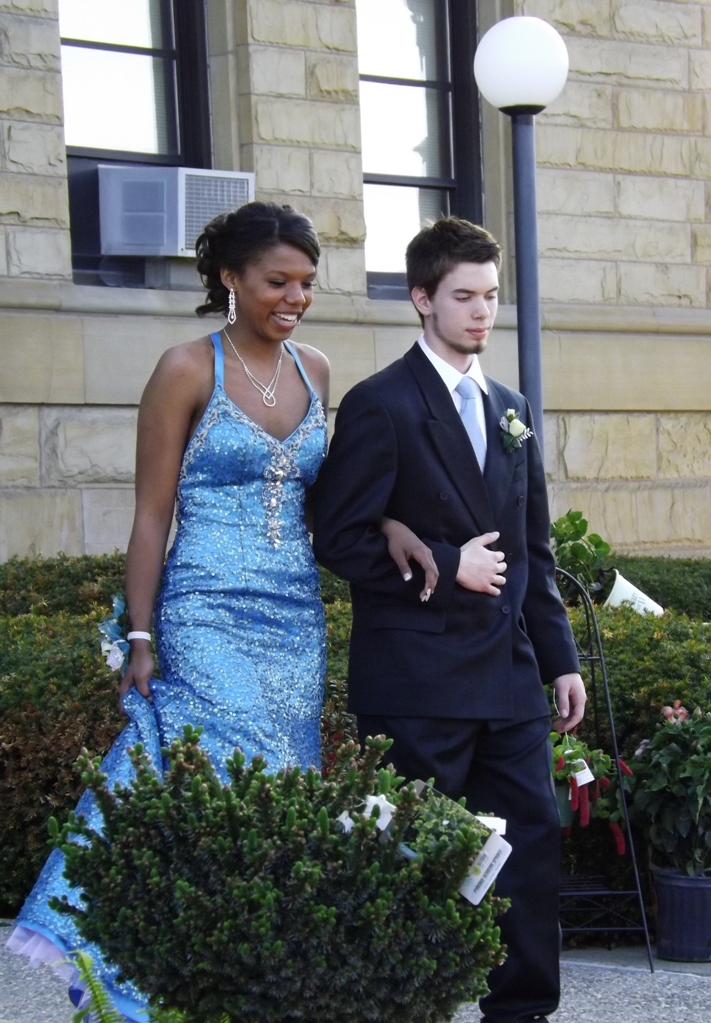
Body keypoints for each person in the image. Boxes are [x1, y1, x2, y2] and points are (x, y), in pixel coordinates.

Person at [7, 201, 432, 1021]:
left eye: (306, 282)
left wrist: (388, 524)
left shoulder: (317, 369)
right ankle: (142, 978)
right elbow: (150, 516)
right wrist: (140, 635)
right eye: (277, 281)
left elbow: (325, 503)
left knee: (285, 790)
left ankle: (241, 983)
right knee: (217, 784)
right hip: (203, 611)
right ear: (231, 278)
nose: (295, 298)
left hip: (293, 618)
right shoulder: (184, 369)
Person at [312, 216, 587, 1023]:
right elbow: (339, 537)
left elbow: (531, 550)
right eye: (464, 296)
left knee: (529, 847)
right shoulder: (381, 404)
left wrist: (560, 660)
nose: (481, 312)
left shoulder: (511, 407)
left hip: (507, 677)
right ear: (422, 298)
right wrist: (443, 560)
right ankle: (406, 1008)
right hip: (416, 683)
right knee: (414, 861)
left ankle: (522, 1012)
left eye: (491, 296)